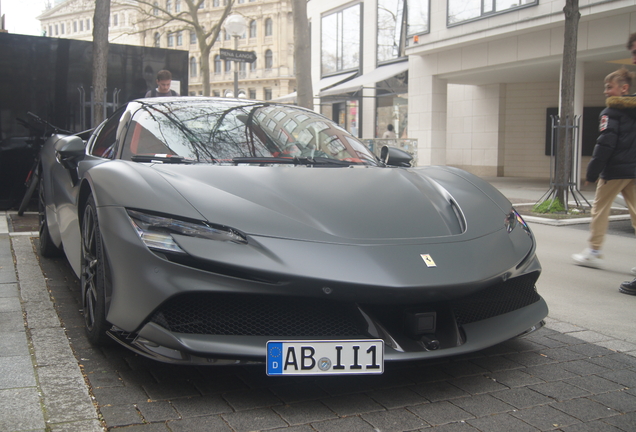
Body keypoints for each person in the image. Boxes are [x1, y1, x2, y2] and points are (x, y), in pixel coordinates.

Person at [571, 68, 636, 278]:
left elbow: (605, 144)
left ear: (623, 88)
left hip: (614, 171)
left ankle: (594, 251)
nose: (606, 92)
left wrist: (592, 172)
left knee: (600, 209)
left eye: (609, 87)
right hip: (634, 171)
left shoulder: (609, 113)